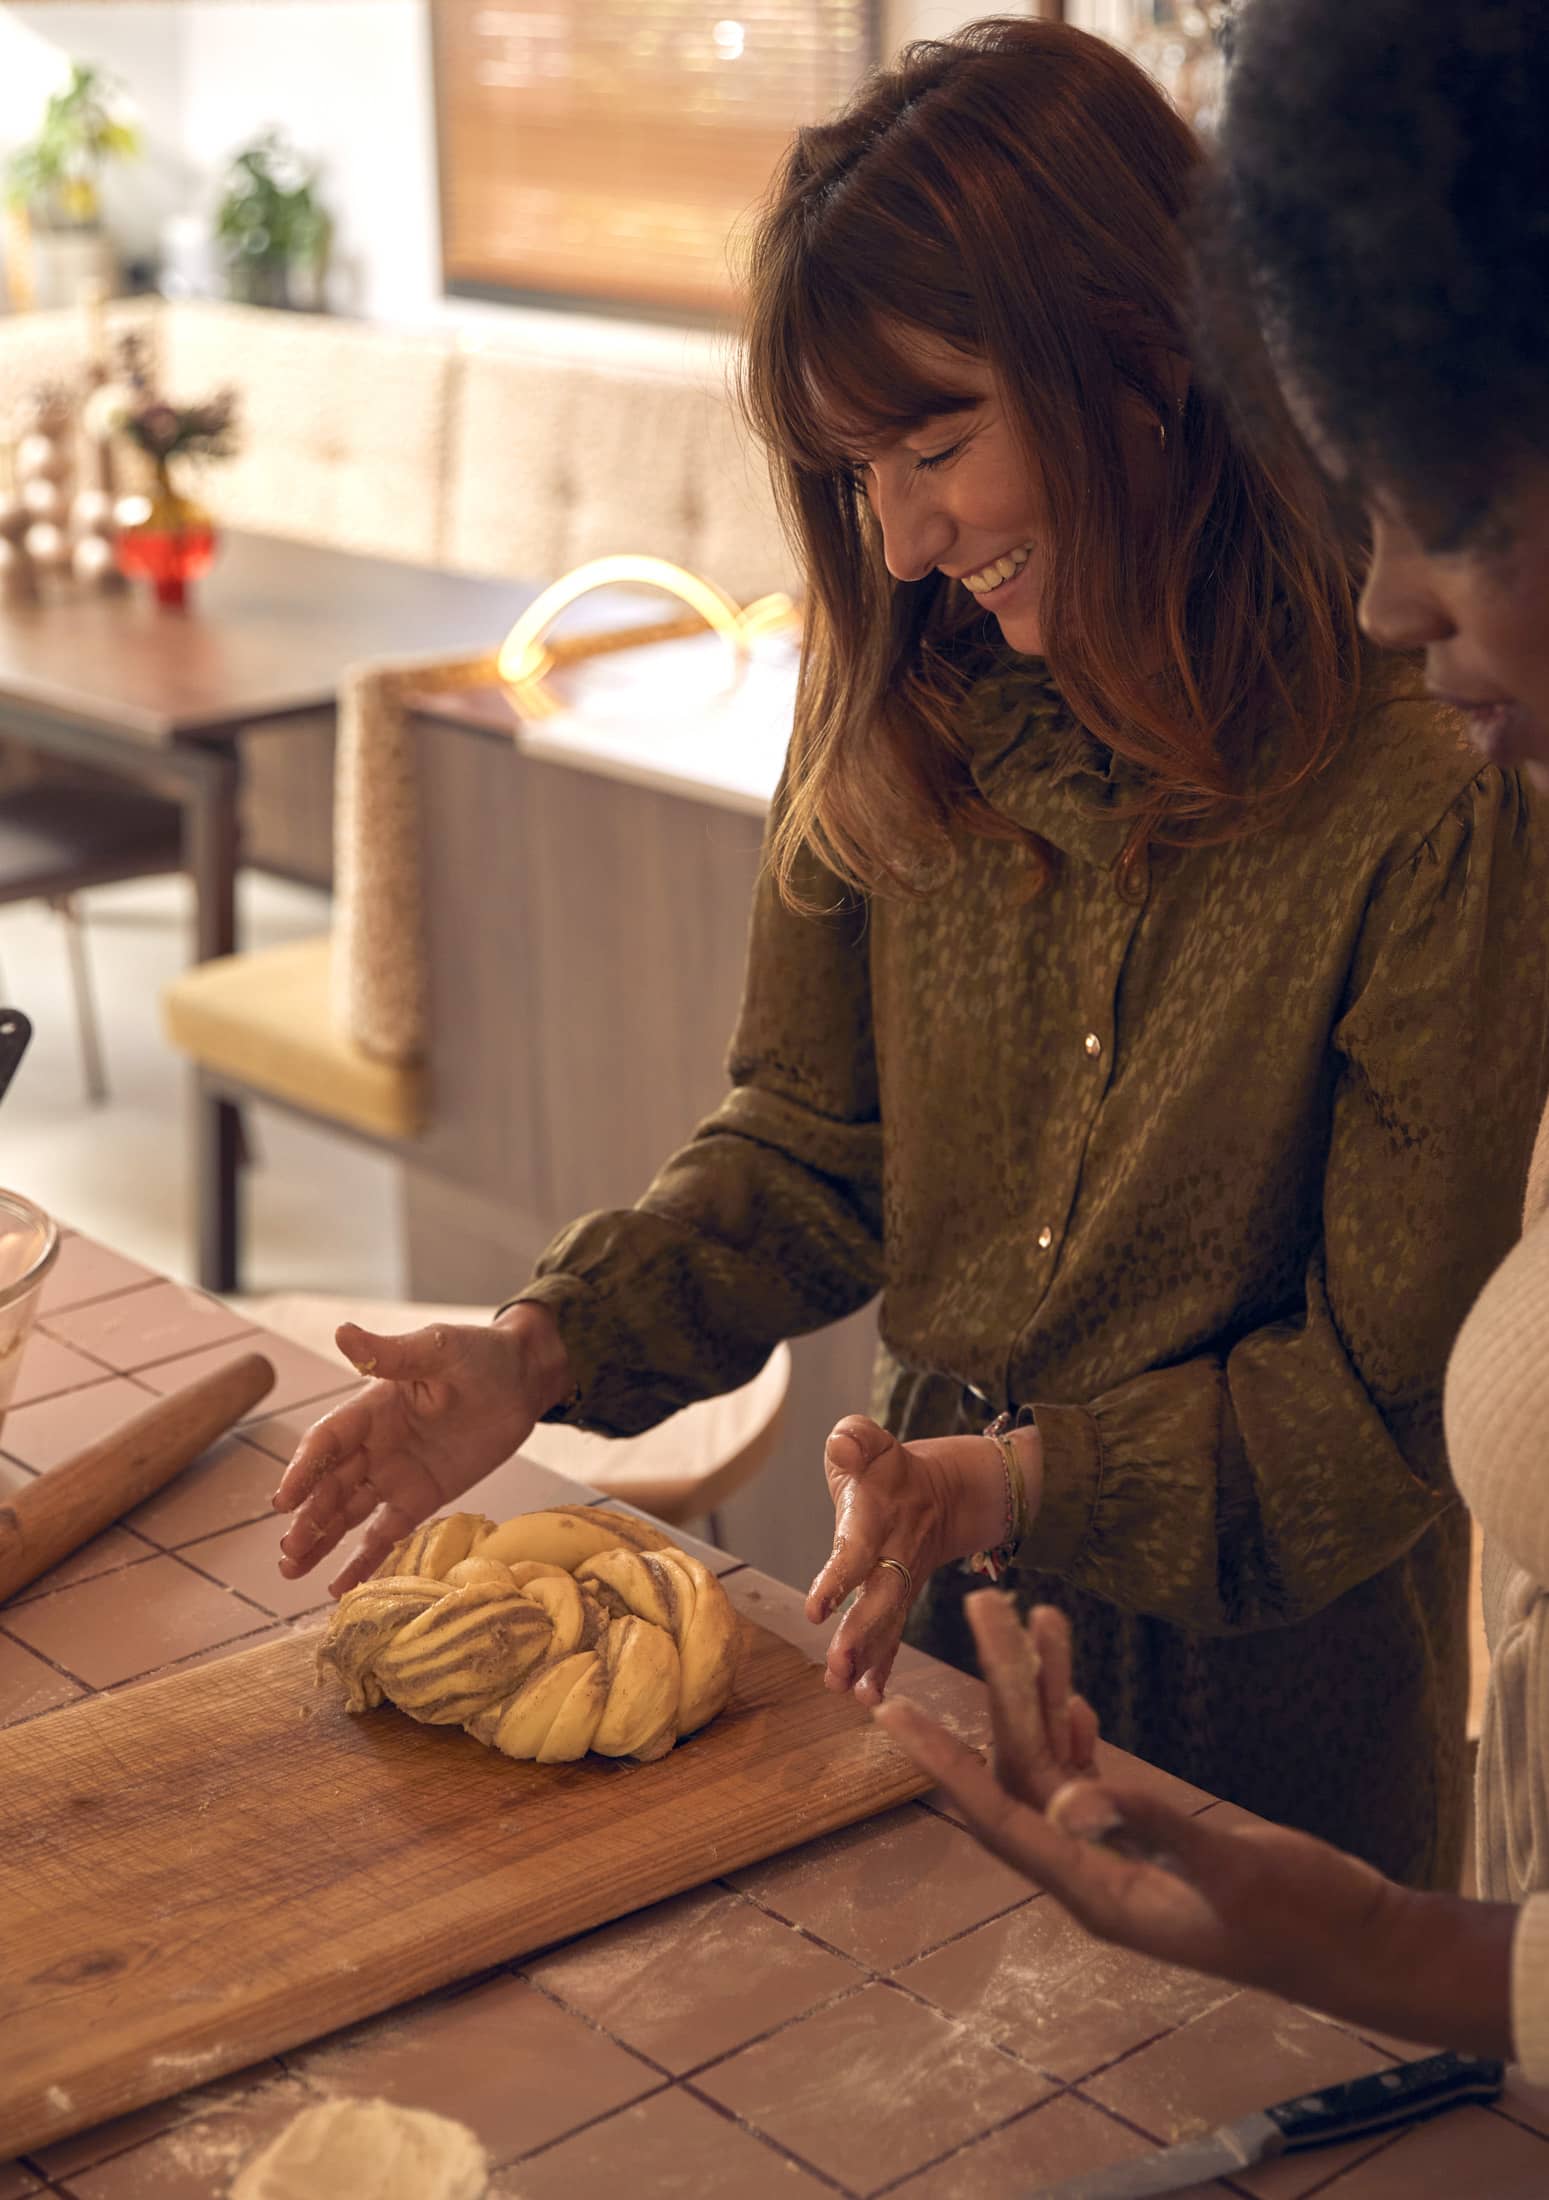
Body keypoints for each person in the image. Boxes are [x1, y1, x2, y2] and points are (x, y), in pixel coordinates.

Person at [271, 18, 1547, 1892]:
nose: (902, 536)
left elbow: (1376, 1403)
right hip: (927, 1635)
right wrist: (542, 1352)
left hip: (1286, 1740)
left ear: (1147, 362)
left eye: (938, 444)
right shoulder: (892, 694)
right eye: (856, 468)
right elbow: (808, 1148)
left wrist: (1021, 1479)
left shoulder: (1426, 771)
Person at [873, 0, 1549, 2078]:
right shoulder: (930, 724)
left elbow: (1372, 1398)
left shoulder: (1427, 813)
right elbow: (805, 1131)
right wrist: (1392, 1945)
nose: (1384, 602)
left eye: (1443, 507)